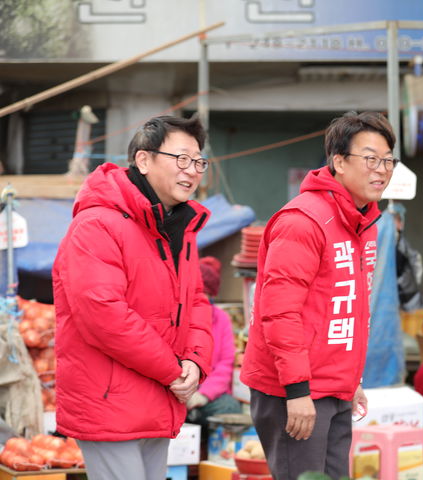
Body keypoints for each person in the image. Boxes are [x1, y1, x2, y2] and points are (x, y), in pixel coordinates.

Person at [52, 115, 214, 480]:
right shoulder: (97, 224)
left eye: (199, 161)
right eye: (181, 159)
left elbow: (197, 301)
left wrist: (196, 361)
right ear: (144, 160)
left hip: (160, 399)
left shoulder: (179, 227)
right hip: (110, 402)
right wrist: (173, 370)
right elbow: (103, 315)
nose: (192, 170)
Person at [241, 111, 397, 479]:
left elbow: (347, 308)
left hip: (335, 388)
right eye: (371, 158)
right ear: (339, 162)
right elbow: (280, 313)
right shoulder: (303, 221)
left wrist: (352, 379)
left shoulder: (365, 223)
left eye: (388, 160)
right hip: (295, 390)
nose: (382, 170)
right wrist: (297, 391)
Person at [186, 257, 243, 429]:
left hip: (209, 395)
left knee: (230, 407)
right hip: (179, 391)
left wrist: (203, 395)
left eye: (207, 297)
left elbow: (226, 365)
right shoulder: (179, 318)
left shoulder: (221, 319)